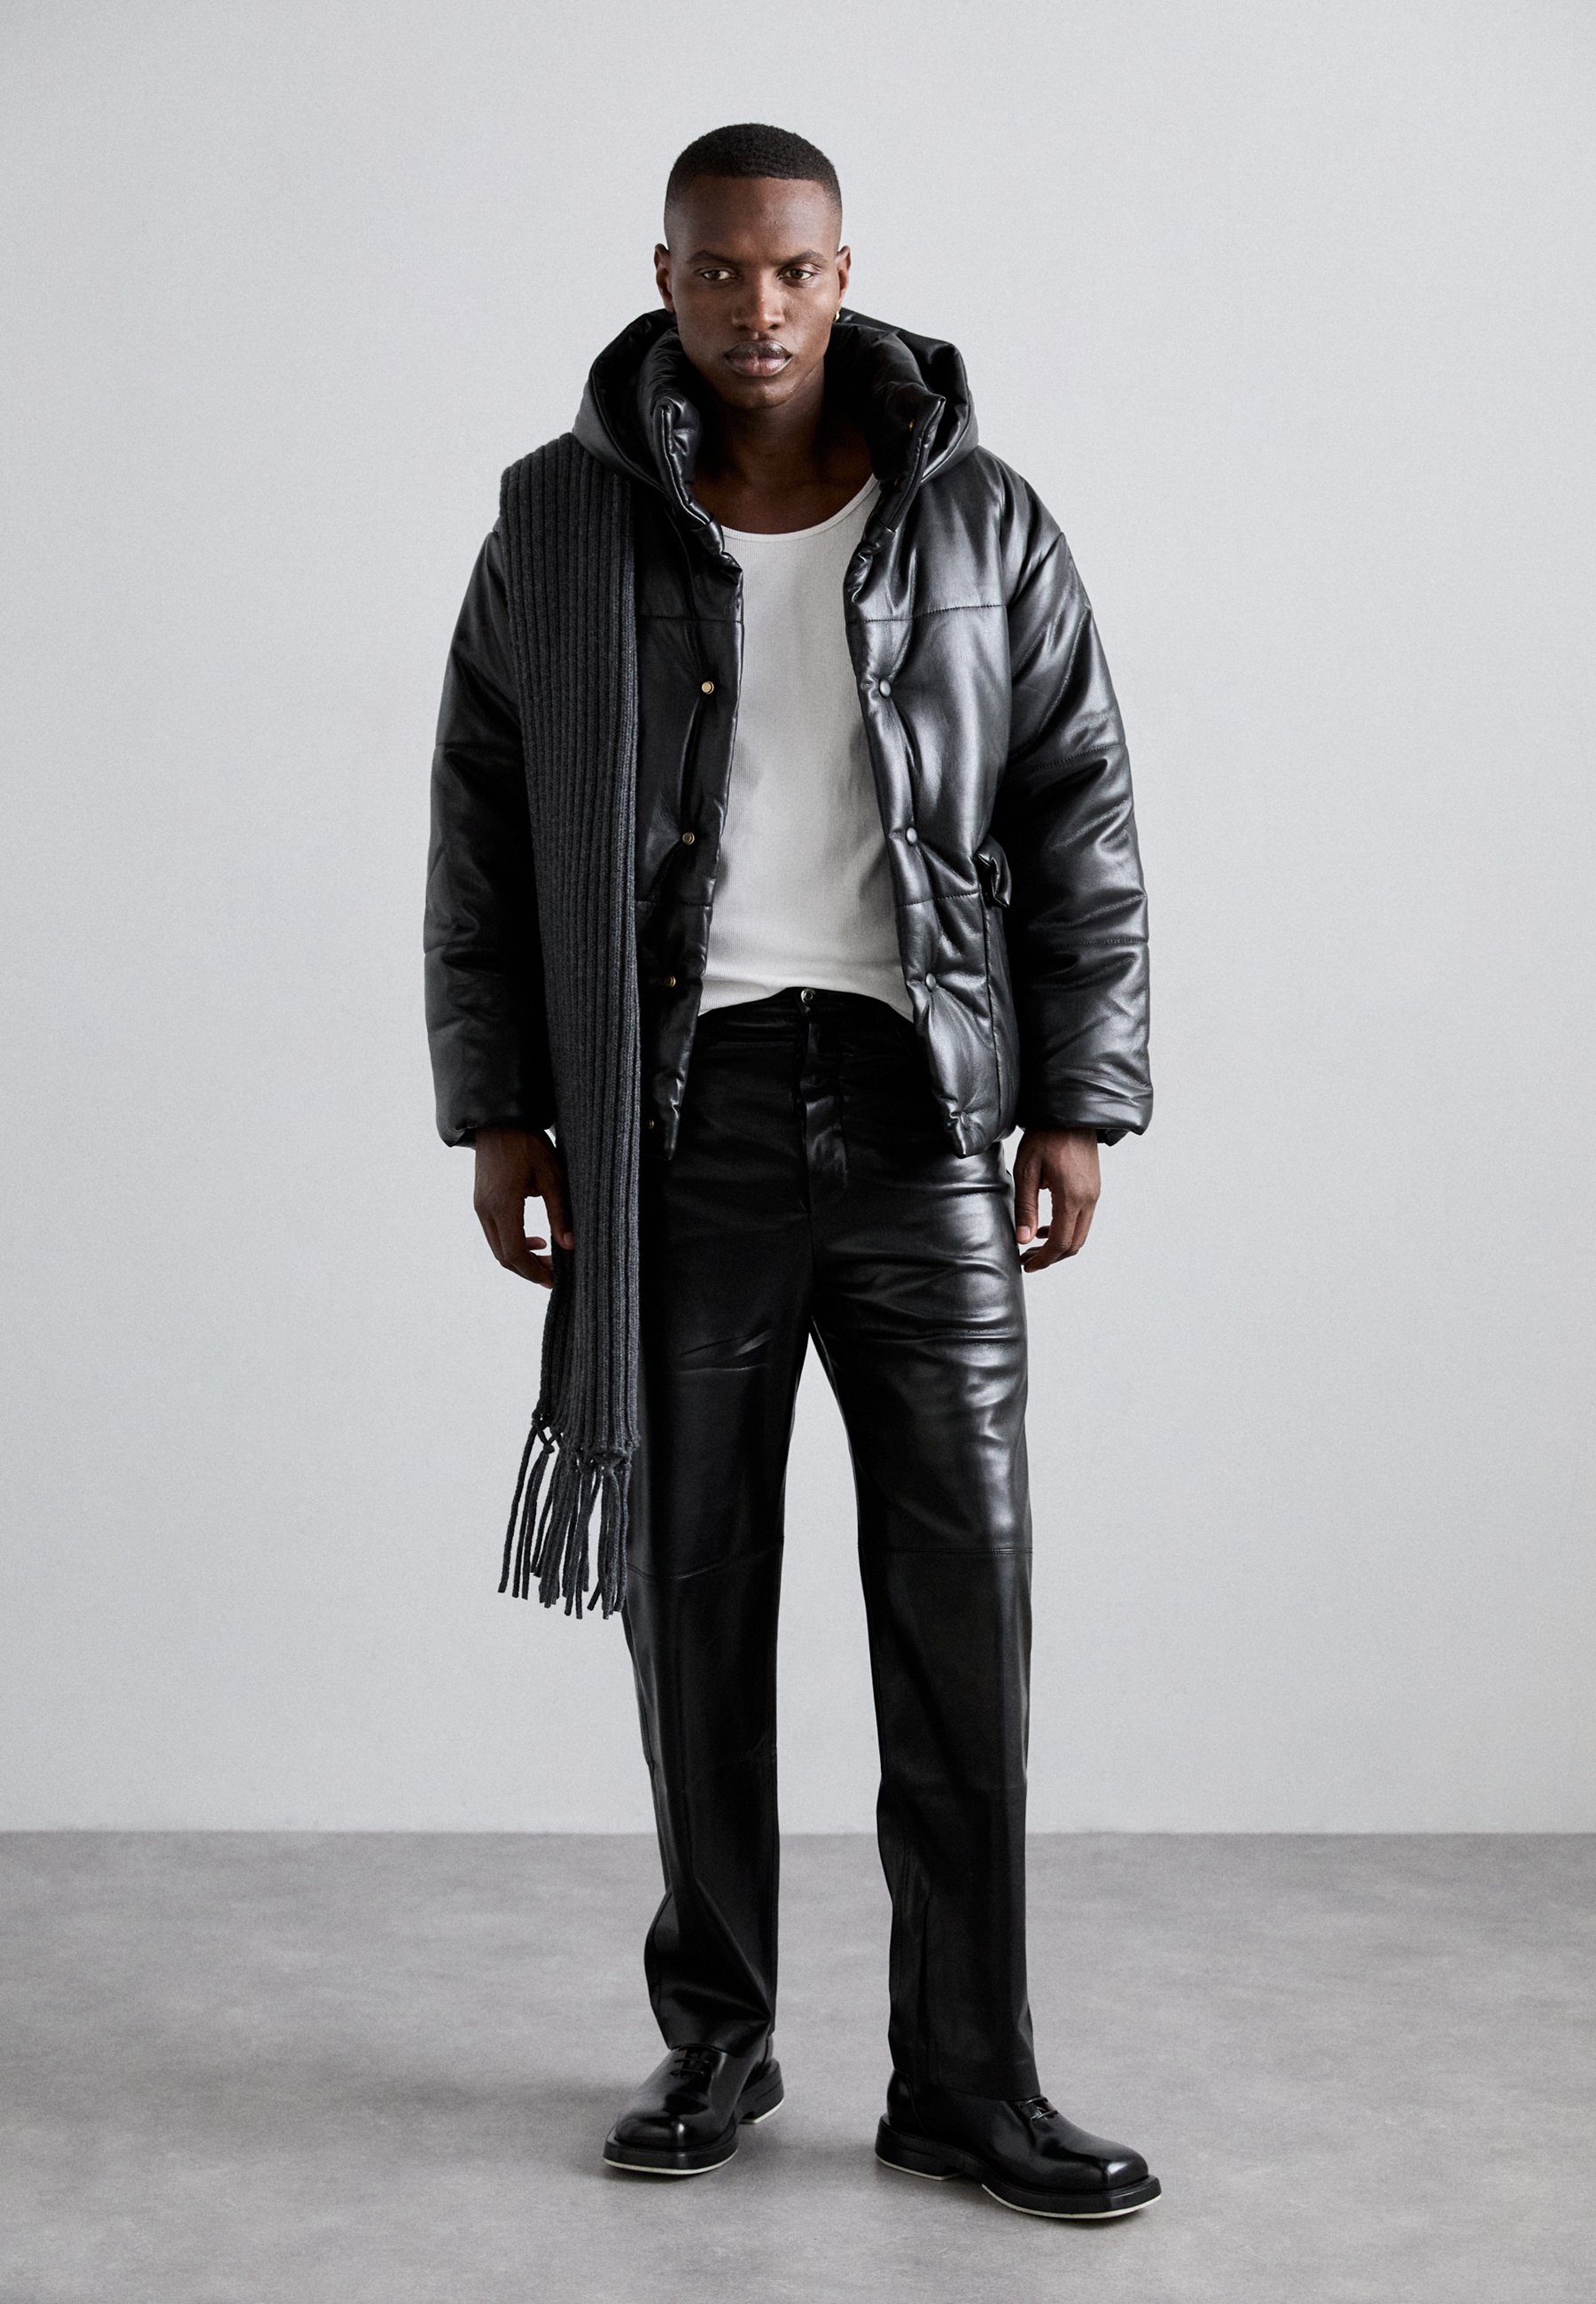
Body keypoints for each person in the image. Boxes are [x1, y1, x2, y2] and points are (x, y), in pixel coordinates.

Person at [424, 121, 1157, 2221]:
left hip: (924, 1117)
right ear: (664, 273)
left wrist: (1078, 1096)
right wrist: (501, 1107)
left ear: (846, 274)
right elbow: (482, 827)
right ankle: (716, 2035)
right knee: (693, 1601)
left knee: (963, 1609)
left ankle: (969, 2080)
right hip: (681, 1121)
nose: (761, 307)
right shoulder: (556, 525)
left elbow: (1079, 809)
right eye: (723, 269)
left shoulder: (983, 521)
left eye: (796, 269)